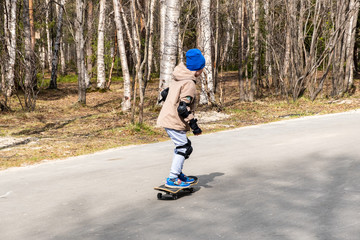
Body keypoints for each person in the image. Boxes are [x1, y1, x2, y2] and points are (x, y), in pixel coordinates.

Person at [157, 48, 205, 188]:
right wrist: (194, 126)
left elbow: (166, 94)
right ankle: (172, 178)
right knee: (183, 147)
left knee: (184, 146)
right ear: (198, 69)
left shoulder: (178, 77)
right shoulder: (189, 83)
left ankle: (177, 174)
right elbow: (183, 108)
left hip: (168, 117)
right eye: (202, 67)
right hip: (174, 120)